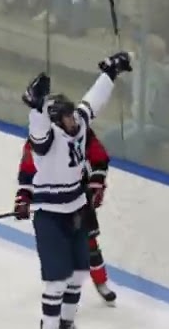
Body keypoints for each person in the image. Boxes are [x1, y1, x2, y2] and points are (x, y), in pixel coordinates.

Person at [17, 52, 133, 329]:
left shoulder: (76, 125)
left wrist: (110, 73)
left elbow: (92, 104)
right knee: (56, 279)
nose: (73, 120)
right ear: (55, 120)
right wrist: (37, 104)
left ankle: (66, 326)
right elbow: (38, 127)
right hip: (51, 216)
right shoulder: (45, 137)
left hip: (77, 211)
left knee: (78, 274)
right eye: (66, 117)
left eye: (71, 116)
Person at [16, 128, 118, 311]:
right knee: (61, 253)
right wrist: (23, 199)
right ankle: (64, 296)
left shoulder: (80, 131)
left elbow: (99, 157)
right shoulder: (38, 140)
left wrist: (96, 184)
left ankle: (100, 282)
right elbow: (27, 171)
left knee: (89, 244)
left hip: (78, 199)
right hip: (51, 206)